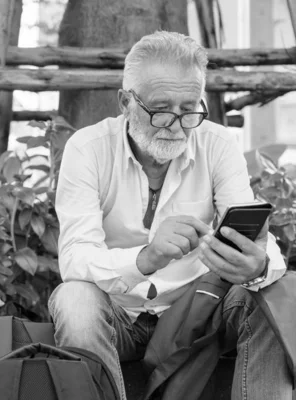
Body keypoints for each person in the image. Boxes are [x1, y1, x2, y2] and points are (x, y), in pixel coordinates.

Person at [49, 30, 293, 400]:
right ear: (125, 102)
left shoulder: (218, 143)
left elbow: (259, 243)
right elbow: (74, 258)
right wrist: (147, 258)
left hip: (196, 312)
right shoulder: (88, 149)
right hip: (116, 312)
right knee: (74, 299)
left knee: (272, 291)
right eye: (161, 110)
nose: (177, 125)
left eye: (189, 109)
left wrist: (256, 267)